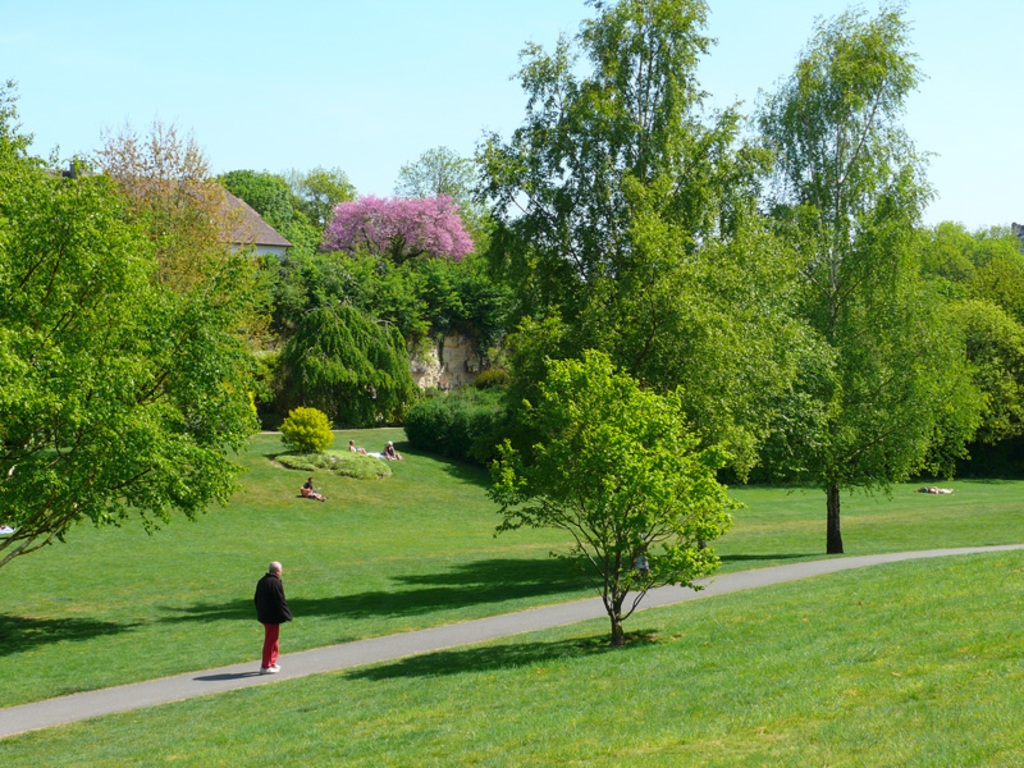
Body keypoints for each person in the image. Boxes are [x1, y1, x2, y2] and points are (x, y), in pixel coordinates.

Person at [254, 561, 292, 674]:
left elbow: (256, 598)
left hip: (265, 615)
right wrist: (287, 615)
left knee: (274, 640)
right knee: (270, 641)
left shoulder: (262, 581)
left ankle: (272, 662)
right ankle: (265, 666)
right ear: (277, 571)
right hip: (272, 617)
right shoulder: (274, 582)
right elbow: (280, 600)